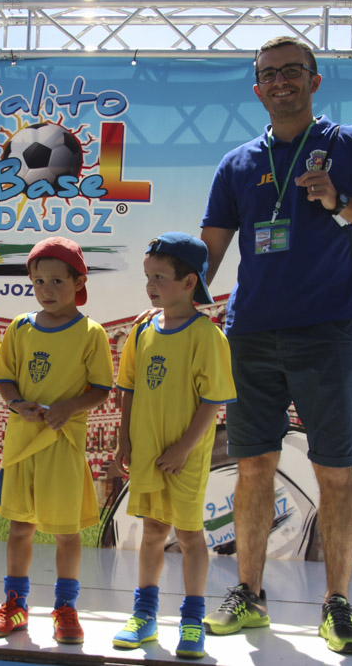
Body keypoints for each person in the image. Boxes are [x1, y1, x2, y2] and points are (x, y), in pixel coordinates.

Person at [199, 36, 352, 655]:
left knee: (335, 472)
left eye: (293, 70)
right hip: (250, 336)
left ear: (315, 81)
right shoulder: (238, 162)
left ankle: (338, 604)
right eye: (269, 74)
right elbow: (211, 251)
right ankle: (248, 594)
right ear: (257, 88)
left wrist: (341, 202)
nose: (281, 81)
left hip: (328, 332)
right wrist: (180, 294)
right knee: (252, 468)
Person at [111, 232, 236, 660]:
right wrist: (123, 437)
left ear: (189, 282)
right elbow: (127, 386)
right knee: (151, 531)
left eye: (160, 276)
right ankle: (144, 615)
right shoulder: (143, 330)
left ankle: (191, 620)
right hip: (147, 451)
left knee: (188, 535)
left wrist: (184, 447)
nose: (151, 284)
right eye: (148, 276)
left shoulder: (207, 335)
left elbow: (214, 399)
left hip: (184, 458)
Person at [0, 236, 113, 645]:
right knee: (20, 527)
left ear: (78, 282)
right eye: (39, 282)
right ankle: (15, 603)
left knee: (65, 532)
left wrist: (69, 407)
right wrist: (17, 403)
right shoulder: (21, 328)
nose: (47, 290)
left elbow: (101, 389)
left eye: (58, 281)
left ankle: (66, 608)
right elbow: (3, 377)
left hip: (63, 445)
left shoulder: (90, 333)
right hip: (23, 443)